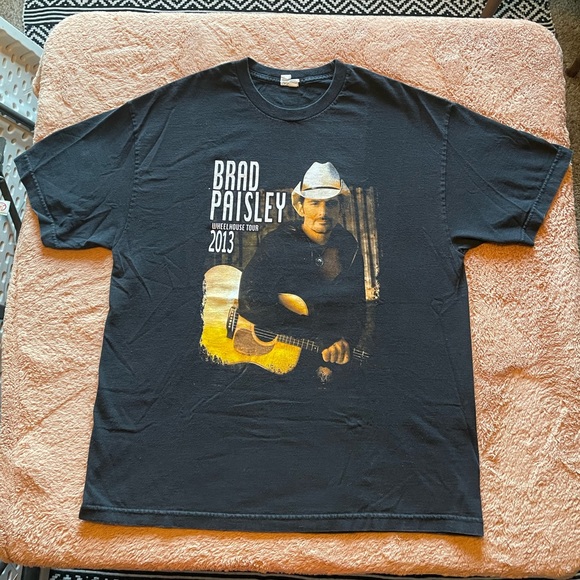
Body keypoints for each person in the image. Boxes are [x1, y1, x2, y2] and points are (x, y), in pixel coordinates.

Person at [238, 161, 366, 382]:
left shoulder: (349, 246)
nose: (323, 213)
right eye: (315, 203)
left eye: (331, 204)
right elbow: (249, 301)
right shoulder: (279, 242)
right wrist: (316, 335)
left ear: (341, 207)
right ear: (301, 207)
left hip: (325, 354)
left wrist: (346, 340)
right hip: (278, 353)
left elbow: (357, 305)